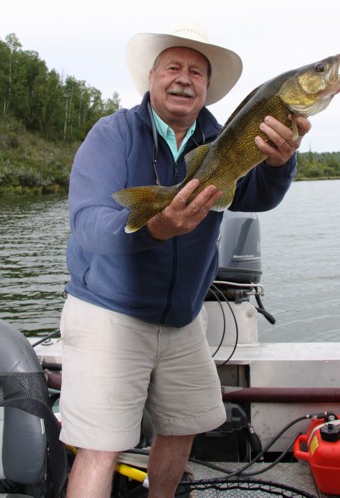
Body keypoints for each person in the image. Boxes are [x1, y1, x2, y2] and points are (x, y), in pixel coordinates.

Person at [59, 24, 311, 498]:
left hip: (182, 317)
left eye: (196, 71)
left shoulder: (224, 136)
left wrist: (281, 164)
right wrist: (155, 227)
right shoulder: (113, 134)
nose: (184, 79)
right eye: (173, 67)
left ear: (207, 87)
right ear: (151, 78)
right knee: (101, 446)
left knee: (184, 425)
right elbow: (89, 224)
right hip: (107, 312)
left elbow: (254, 196)